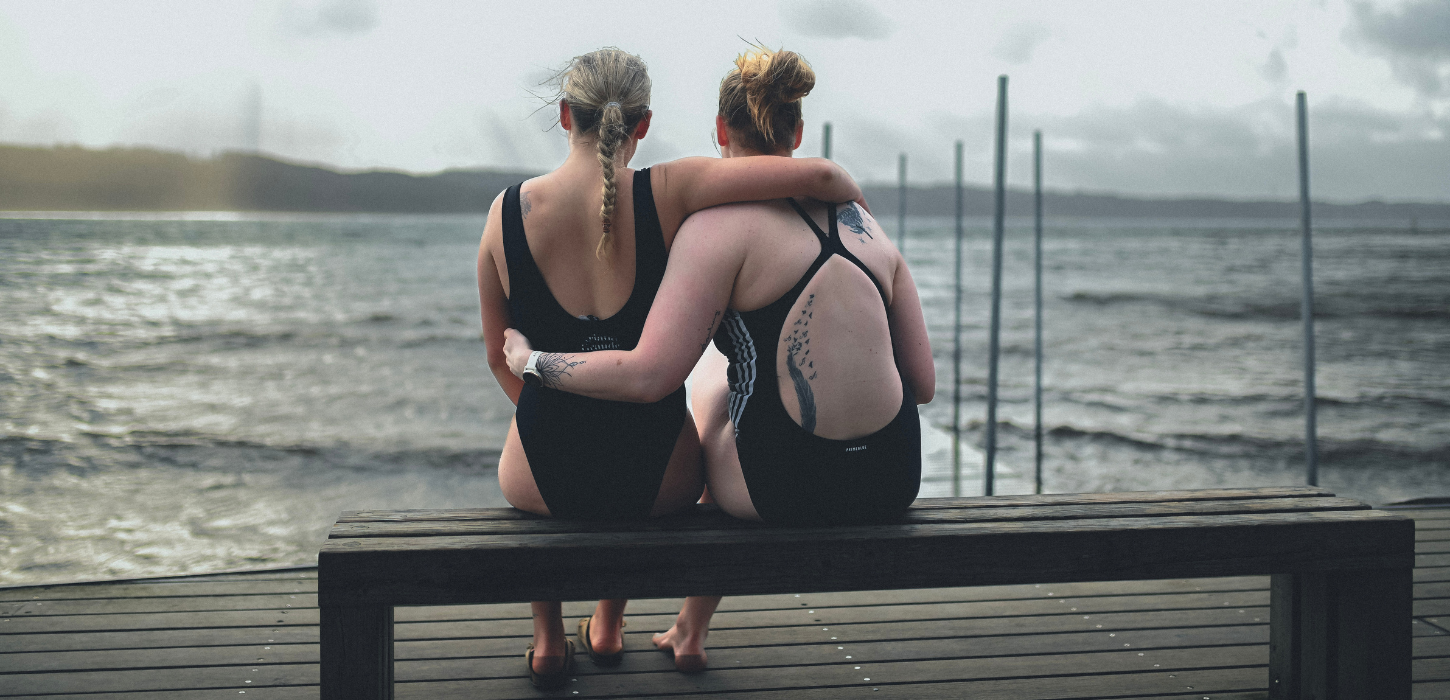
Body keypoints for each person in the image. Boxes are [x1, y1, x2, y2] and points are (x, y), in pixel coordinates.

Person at [501, 46, 934, 673]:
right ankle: (687, 629)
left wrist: (535, 361)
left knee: (708, 389)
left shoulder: (716, 228)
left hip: (784, 488)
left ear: (721, 132)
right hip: (893, 479)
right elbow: (920, 385)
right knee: (725, 384)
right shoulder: (870, 229)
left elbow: (649, 375)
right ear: (799, 133)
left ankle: (678, 628)